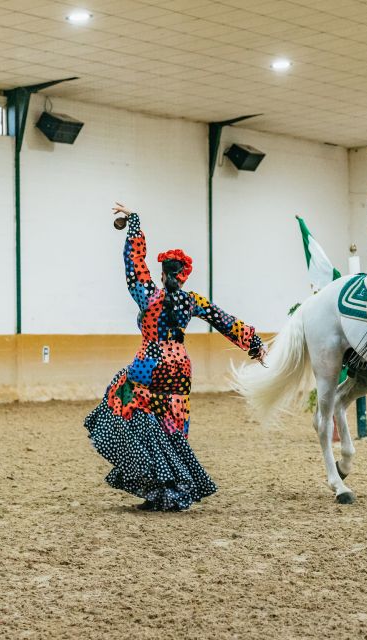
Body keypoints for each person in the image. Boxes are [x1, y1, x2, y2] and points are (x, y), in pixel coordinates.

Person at [84, 203, 267, 512]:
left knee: (127, 405)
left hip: (149, 363)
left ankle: (154, 488)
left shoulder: (149, 295)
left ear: (162, 273)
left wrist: (135, 226)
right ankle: (176, 490)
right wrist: (254, 343)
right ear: (185, 275)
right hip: (180, 368)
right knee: (173, 428)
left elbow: (133, 263)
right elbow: (225, 320)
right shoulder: (193, 301)